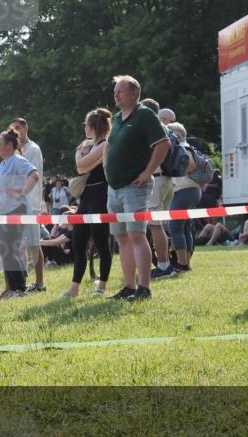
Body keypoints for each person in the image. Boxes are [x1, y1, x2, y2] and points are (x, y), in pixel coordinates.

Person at [103, 76, 170, 301]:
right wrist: (106, 168)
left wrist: (148, 172)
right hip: (114, 188)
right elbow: (110, 146)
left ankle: (144, 288)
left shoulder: (145, 116)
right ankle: (129, 287)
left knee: (137, 235)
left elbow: (163, 144)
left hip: (135, 186)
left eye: (121, 91)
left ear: (134, 93)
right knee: (121, 238)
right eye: (115, 91)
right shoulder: (116, 118)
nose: (116, 94)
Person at [63, 108, 113, 298]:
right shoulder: (86, 145)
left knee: (101, 243)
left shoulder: (105, 143)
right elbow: (79, 166)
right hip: (85, 198)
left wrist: (86, 162)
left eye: (86, 125)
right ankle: (74, 288)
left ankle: (101, 286)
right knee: (78, 243)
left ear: (91, 127)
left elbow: (82, 166)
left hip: (100, 196)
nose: (84, 129)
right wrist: (88, 161)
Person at [0, 127, 40, 298]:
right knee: (6, 250)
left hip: (14, 211)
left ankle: (19, 288)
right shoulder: (2, 164)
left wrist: (22, 193)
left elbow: (34, 174)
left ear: (10, 145)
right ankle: (12, 287)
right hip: (1, 214)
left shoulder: (17, 160)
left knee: (11, 249)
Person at [10, 118, 46, 292]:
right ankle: (21, 281)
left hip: (30, 203)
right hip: (18, 205)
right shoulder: (16, 151)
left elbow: (27, 175)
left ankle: (40, 283)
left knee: (33, 244)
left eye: (18, 127)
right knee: (19, 245)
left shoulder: (32, 149)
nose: (16, 131)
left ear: (26, 128)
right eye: (12, 129)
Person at [165, 122, 201, 273]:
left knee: (175, 227)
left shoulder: (183, 147)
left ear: (177, 135)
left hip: (184, 190)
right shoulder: (188, 147)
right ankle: (185, 263)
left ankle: (181, 264)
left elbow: (191, 166)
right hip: (192, 190)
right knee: (185, 228)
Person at [147, 102, 176, 280]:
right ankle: (165, 263)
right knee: (161, 226)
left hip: (157, 180)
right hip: (166, 181)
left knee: (155, 226)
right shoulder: (166, 129)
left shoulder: (153, 128)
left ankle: (164, 266)